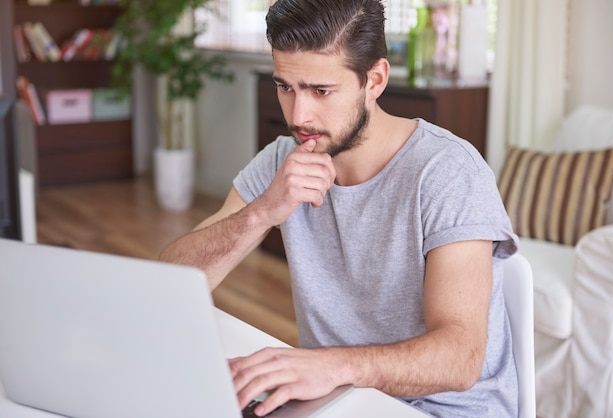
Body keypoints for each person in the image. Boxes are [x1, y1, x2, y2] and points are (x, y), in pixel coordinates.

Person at [159, 0, 519, 416]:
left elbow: (459, 359)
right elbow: (172, 282)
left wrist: (329, 367)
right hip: (341, 399)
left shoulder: (447, 172)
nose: (299, 115)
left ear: (375, 80)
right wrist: (262, 211)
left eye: (320, 91)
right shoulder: (282, 160)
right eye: (285, 87)